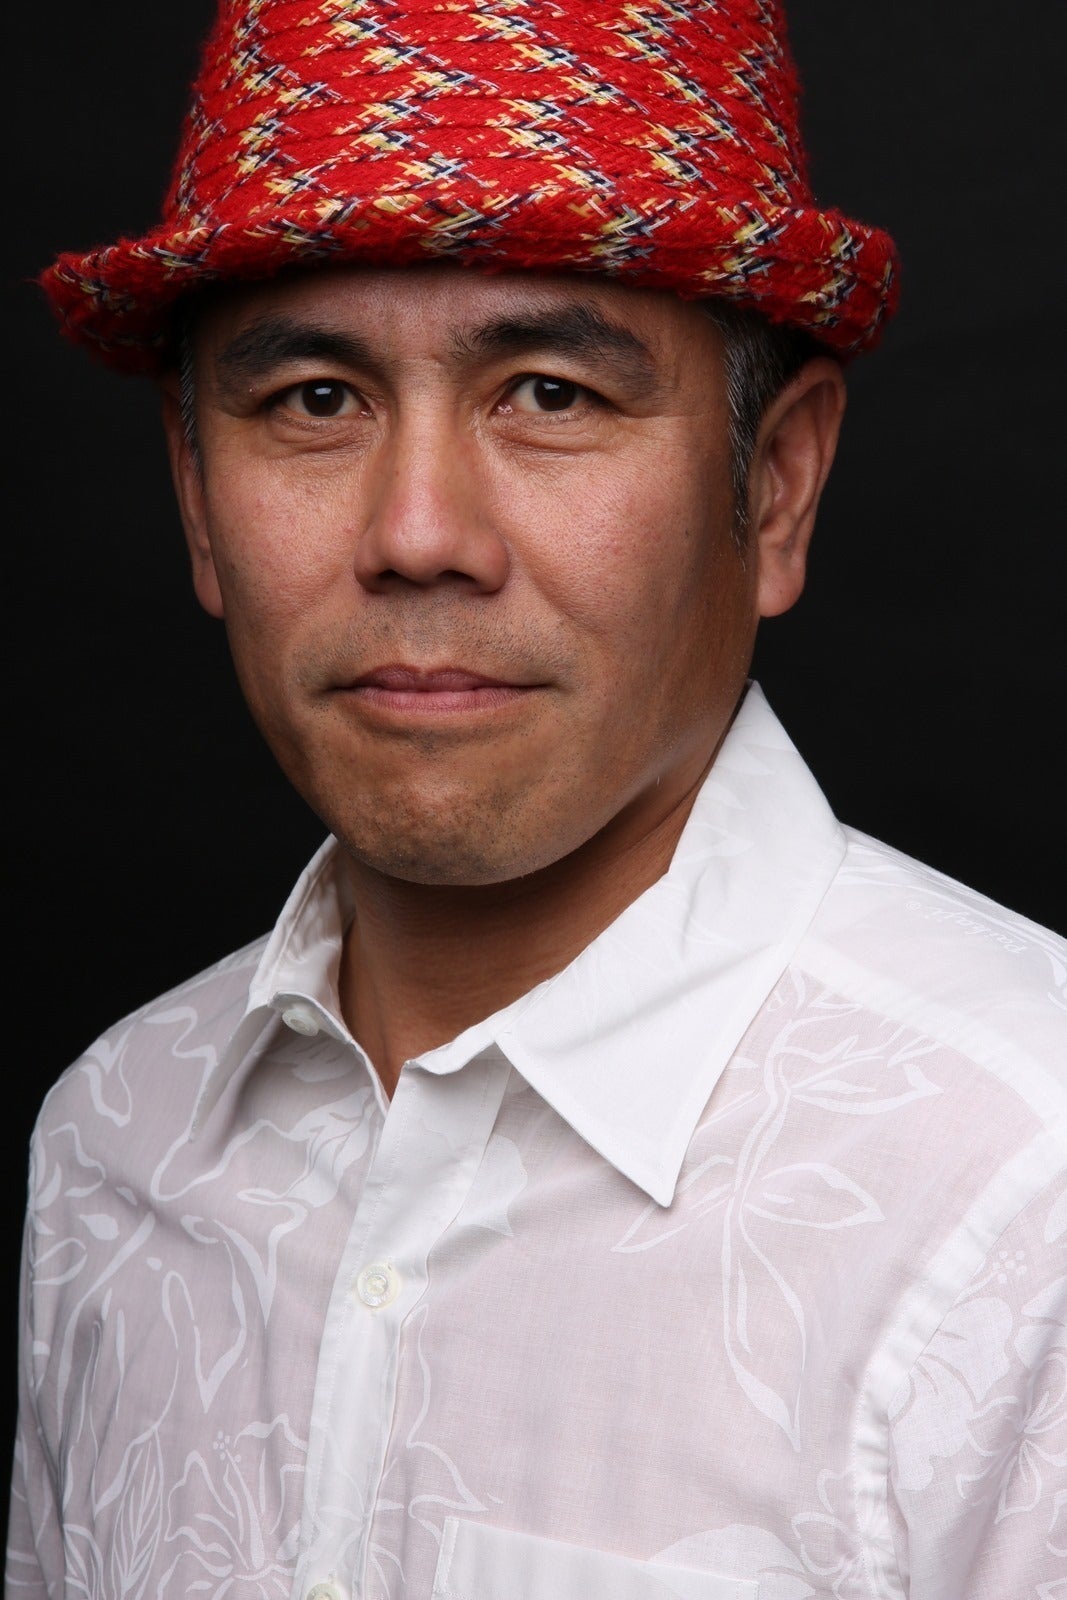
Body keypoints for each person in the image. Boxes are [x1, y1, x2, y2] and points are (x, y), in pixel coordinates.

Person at [8, 1, 1065, 1596]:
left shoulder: (1028, 1200)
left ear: (775, 486)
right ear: (198, 501)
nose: (419, 533)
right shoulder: (113, 1140)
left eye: (552, 393)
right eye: (315, 399)